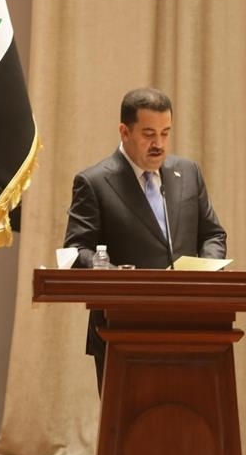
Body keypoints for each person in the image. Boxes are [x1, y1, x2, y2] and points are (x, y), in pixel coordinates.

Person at [63, 87, 227, 392]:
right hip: (122, 326)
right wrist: (115, 275)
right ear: (124, 132)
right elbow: (76, 249)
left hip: (190, 323)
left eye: (165, 133)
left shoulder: (188, 173)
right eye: (149, 134)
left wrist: (207, 270)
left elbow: (212, 234)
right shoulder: (95, 182)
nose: (159, 144)